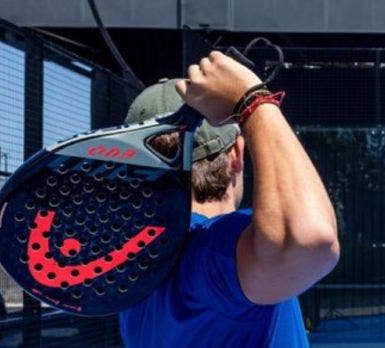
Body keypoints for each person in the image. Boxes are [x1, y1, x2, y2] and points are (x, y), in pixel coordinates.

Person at [118, 51, 340, 346]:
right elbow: (310, 240)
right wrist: (254, 101)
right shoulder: (213, 254)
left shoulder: (132, 267)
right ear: (236, 154)